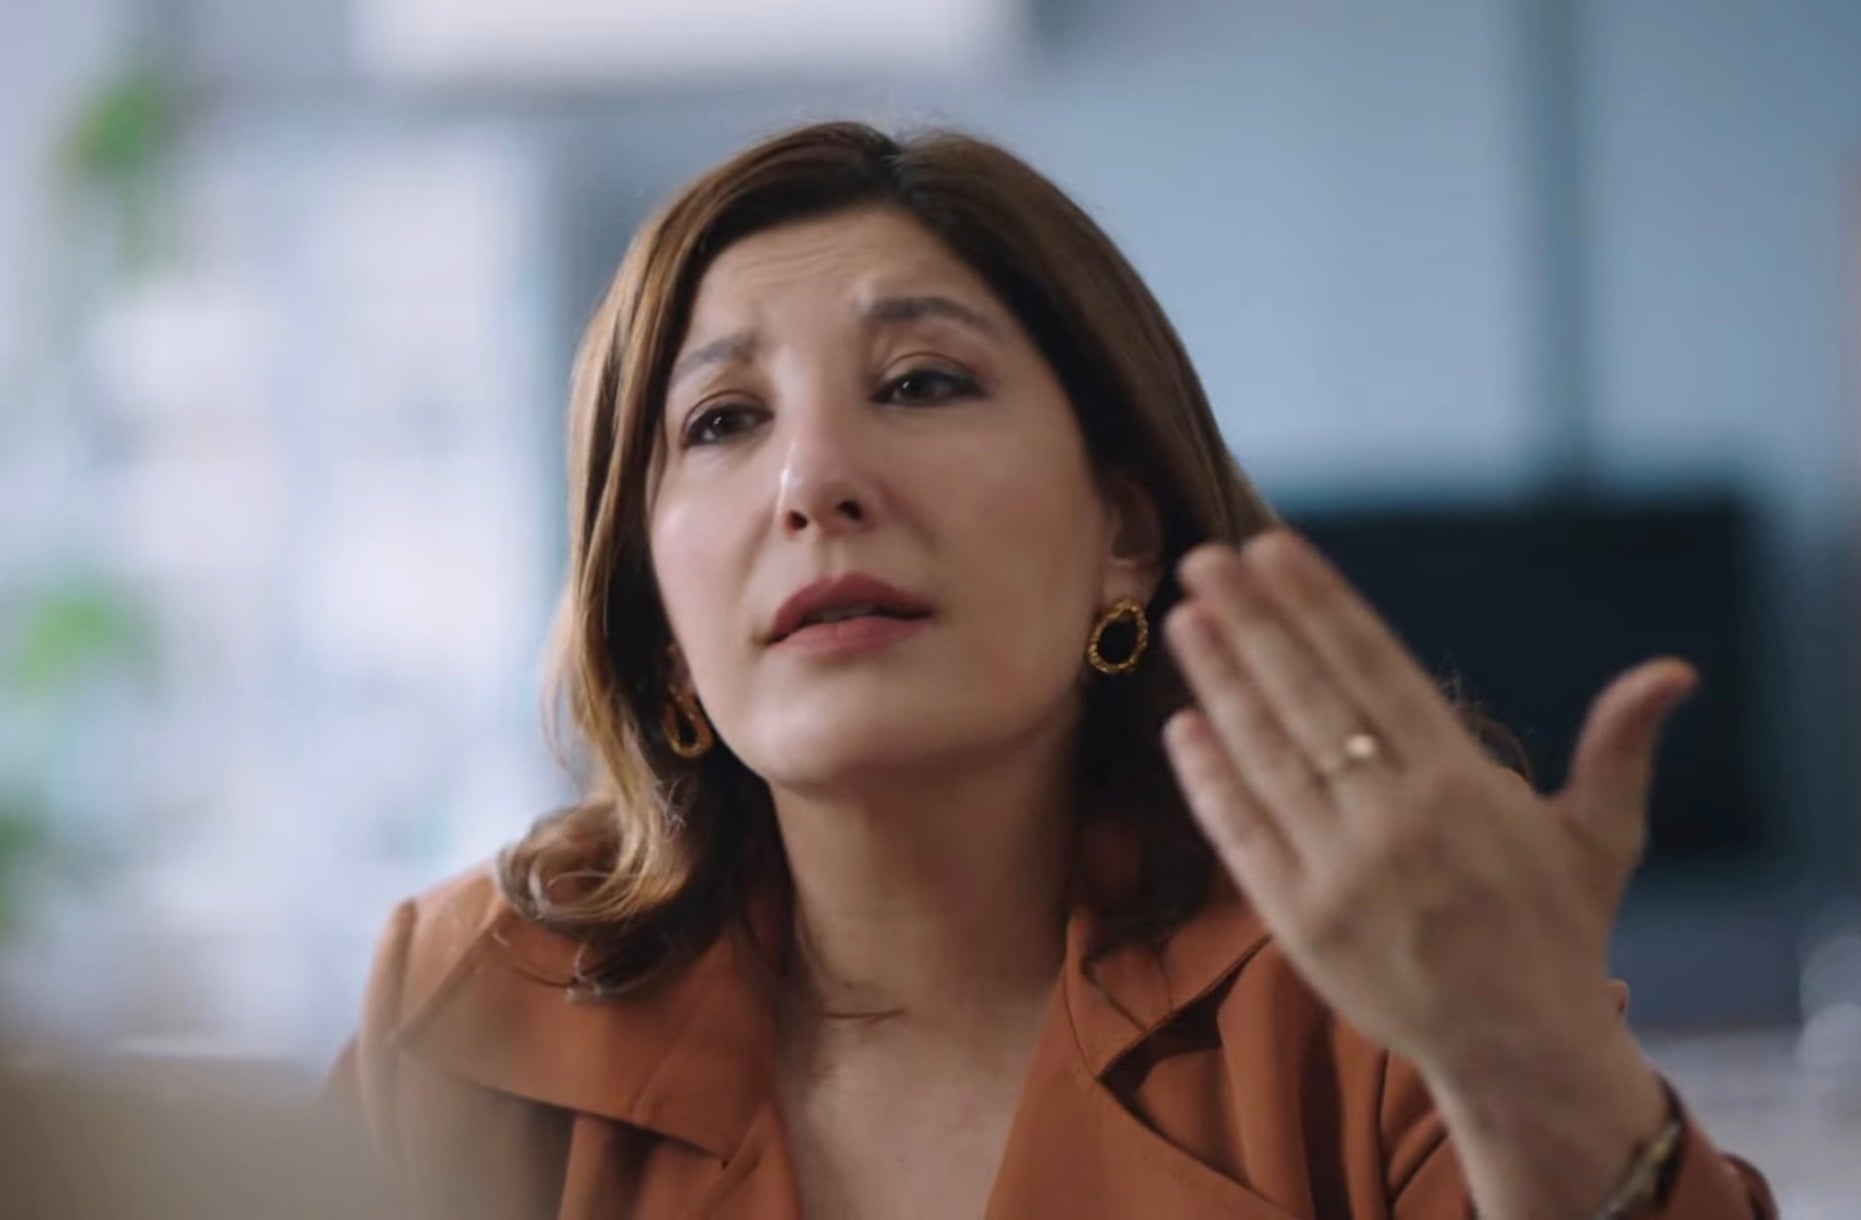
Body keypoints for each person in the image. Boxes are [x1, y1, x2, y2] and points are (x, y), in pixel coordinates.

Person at [326, 120, 1777, 1219]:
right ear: (654, 620)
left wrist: (1536, 1073)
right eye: (722, 421)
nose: (813, 479)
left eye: (921, 383)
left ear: (1123, 537)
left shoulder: (1367, 985)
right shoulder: (470, 1006)